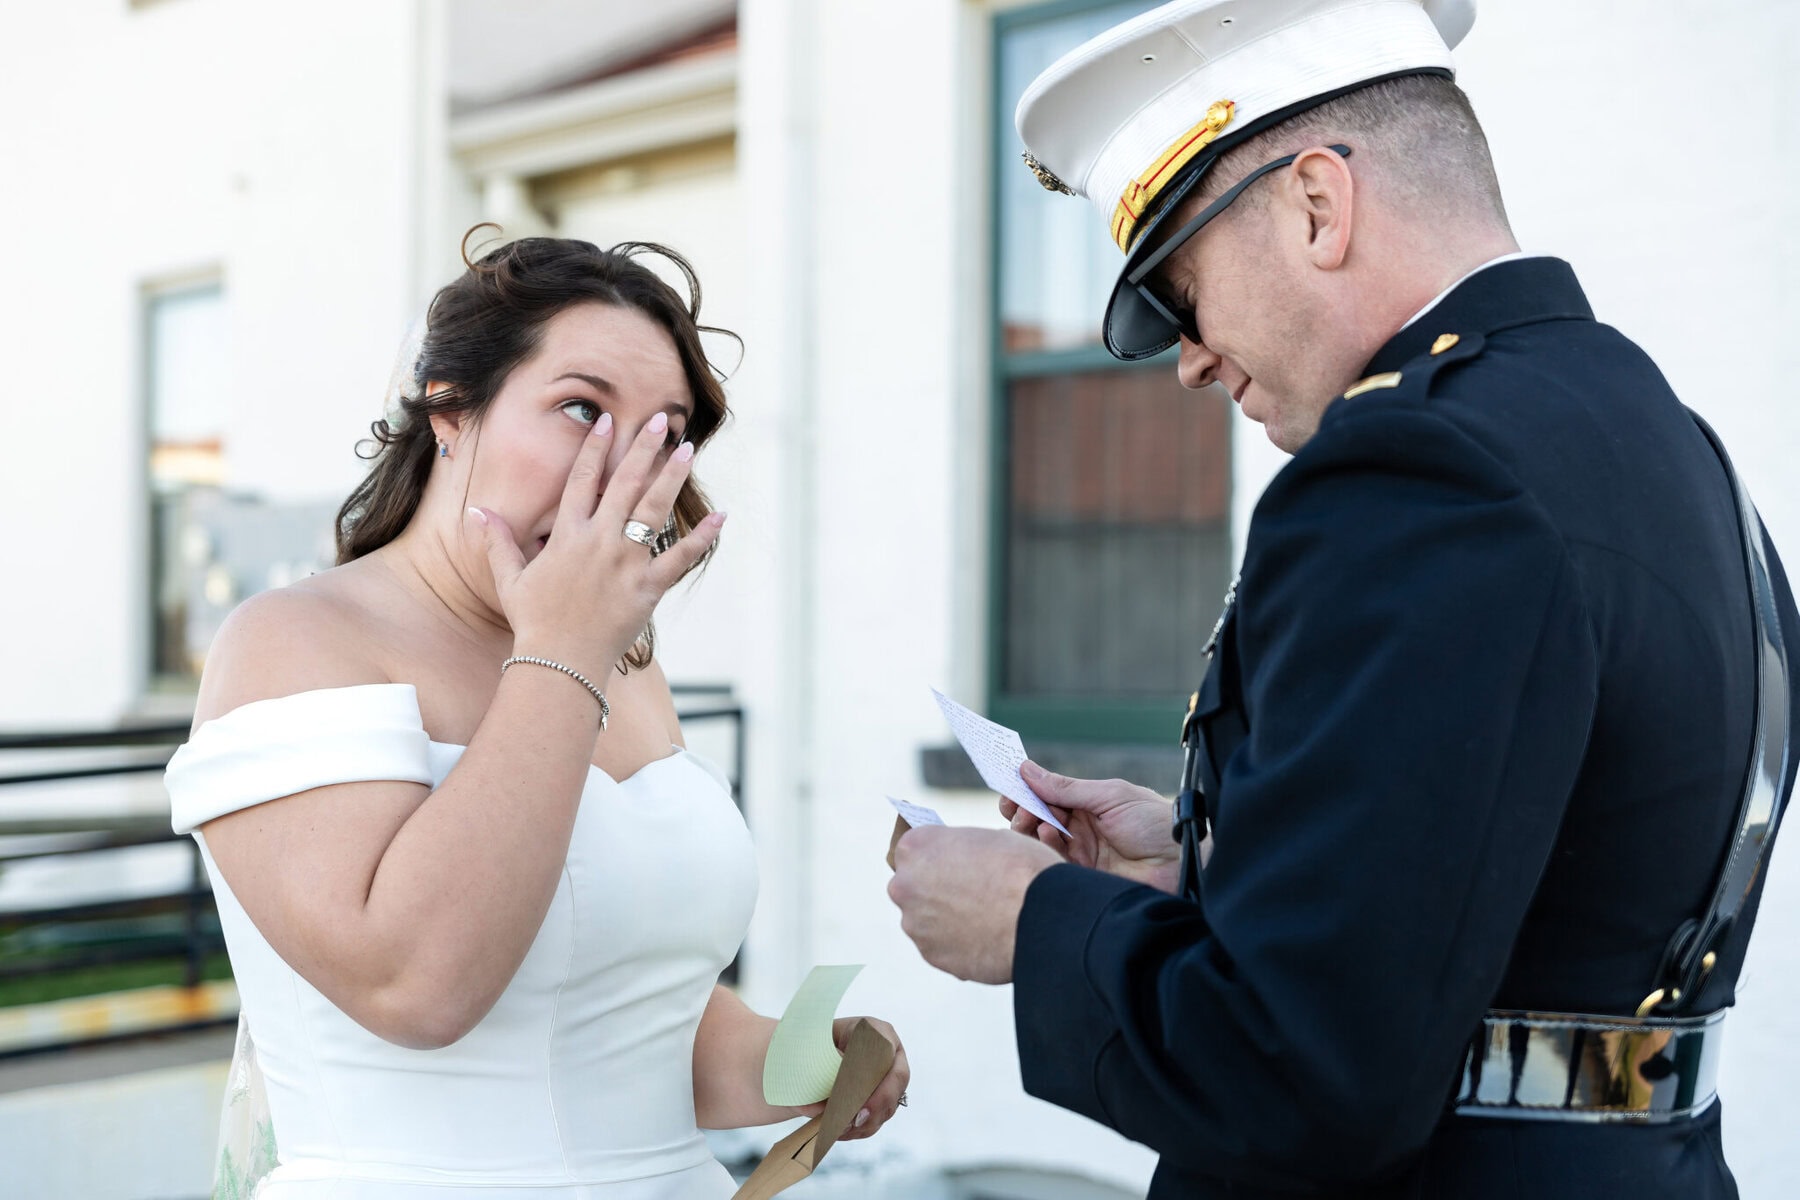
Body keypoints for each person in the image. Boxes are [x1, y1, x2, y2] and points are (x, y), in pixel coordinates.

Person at [887, 1, 1797, 1196]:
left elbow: (1304, 1073)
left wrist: (1036, 922)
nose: (1191, 358)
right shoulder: (1675, 450)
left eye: (1181, 288)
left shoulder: (1416, 472)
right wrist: (1206, 869)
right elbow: (1514, 911)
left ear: (1319, 204)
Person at [166, 232, 908, 1200]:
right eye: (581, 409)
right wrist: (558, 653)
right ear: (449, 410)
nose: (628, 467)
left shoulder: (626, 667)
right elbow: (419, 983)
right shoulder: (293, 645)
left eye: (666, 431)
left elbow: (623, 1016)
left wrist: (806, 1059)